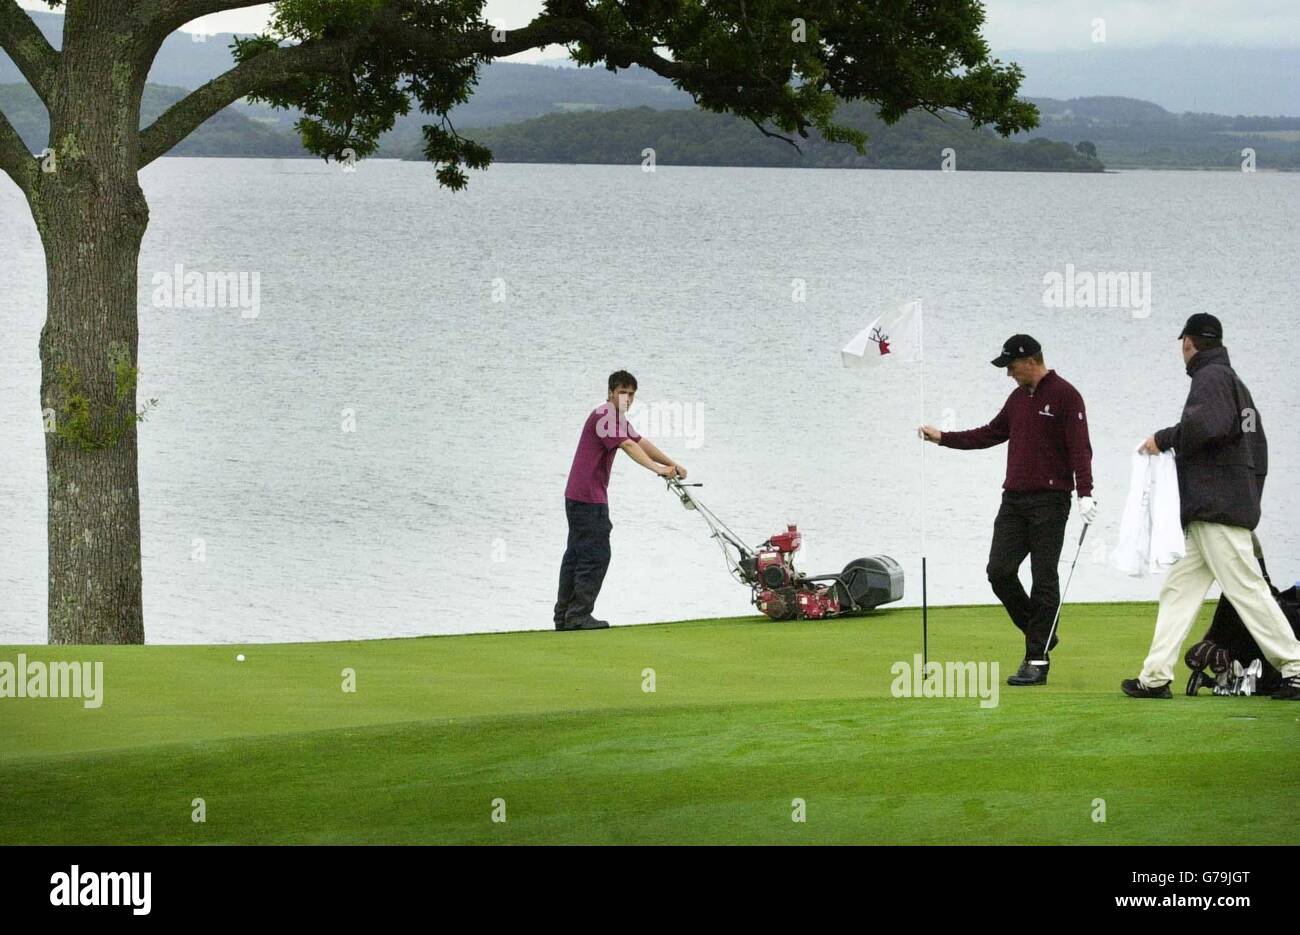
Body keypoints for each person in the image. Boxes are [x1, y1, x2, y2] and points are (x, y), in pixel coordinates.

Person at [1122, 313, 1300, 700]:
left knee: (1248, 590)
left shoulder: (1212, 378)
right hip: (1217, 510)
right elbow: (1256, 446)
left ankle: (1296, 667)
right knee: (1178, 591)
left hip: (1216, 511)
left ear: (1188, 343)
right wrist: (1248, 497)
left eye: (1182, 344)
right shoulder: (1234, 383)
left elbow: (1207, 426)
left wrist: (1163, 438)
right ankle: (1154, 677)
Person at [919, 334, 1096, 686]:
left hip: (1051, 501)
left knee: (1043, 576)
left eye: (1011, 366)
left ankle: (1037, 658)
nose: (1009, 374)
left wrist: (1085, 493)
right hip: (1014, 501)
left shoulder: (1066, 395)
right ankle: (1041, 632)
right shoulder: (1017, 398)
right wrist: (943, 437)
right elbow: (990, 433)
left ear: (1030, 360)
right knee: (998, 572)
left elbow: (1080, 448)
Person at [554, 371, 686, 631]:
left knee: (576, 555)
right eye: (623, 392)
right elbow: (627, 446)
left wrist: (670, 463)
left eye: (632, 394)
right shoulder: (604, 416)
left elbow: (639, 442)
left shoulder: (616, 418)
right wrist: (657, 469)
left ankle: (566, 616)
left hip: (580, 498)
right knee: (595, 555)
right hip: (587, 500)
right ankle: (577, 615)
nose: (628, 398)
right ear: (611, 392)